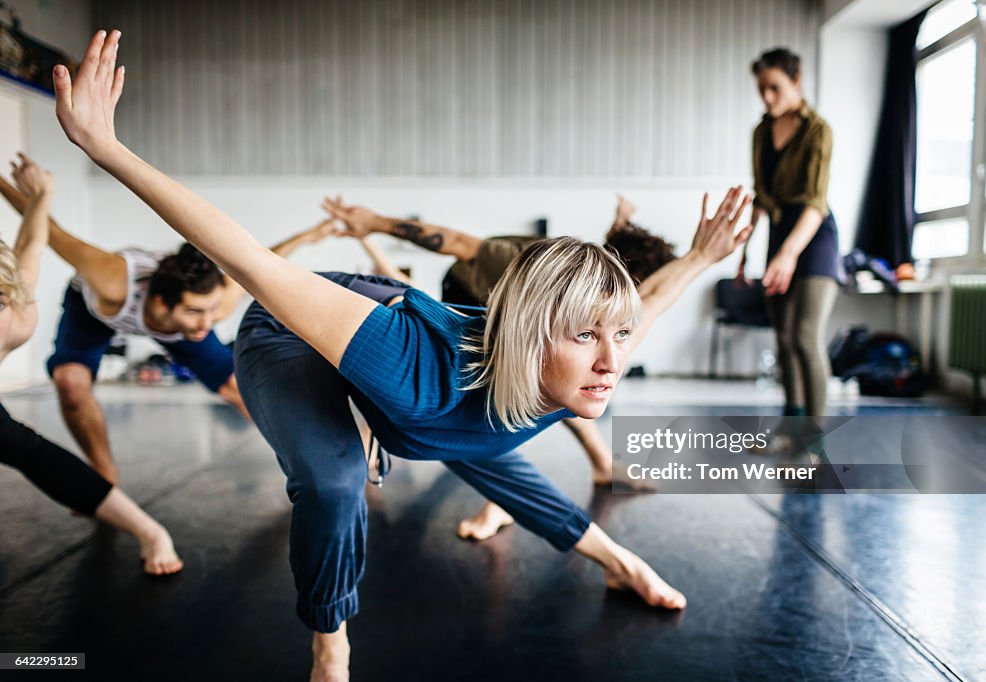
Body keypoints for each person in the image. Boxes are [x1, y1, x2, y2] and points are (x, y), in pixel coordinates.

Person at [52, 30, 752, 681]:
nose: (611, 362)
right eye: (586, 338)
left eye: (619, 338)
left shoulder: (585, 366)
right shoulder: (415, 367)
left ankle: (619, 562)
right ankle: (331, 642)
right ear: (535, 336)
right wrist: (107, 150)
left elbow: (643, 309)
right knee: (335, 480)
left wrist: (697, 257)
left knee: (486, 449)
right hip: (296, 331)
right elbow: (247, 259)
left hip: (429, 361)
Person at [321, 194, 675, 539]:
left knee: (565, 391)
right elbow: (456, 241)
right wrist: (375, 224)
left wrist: (641, 227)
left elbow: (649, 289)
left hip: (521, 322)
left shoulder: (604, 276)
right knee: (493, 395)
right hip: (468, 308)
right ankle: (496, 501)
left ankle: (598, 464)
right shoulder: (522, 263)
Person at [0, 160, 342, 484]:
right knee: (71, 385)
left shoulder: (211, 306)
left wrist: (310, 236)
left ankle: (305, 464)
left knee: (238, 388)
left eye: (210, 311)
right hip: (93, 311)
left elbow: (266, 260)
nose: (209, 323)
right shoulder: (110, 278)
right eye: (196, 312)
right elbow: (50, 231)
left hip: (172, 324)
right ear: (163, 302)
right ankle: (104, 477)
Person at [0, 153, 182, 575]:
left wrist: (43, 194)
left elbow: (30, 244)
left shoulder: (18, 311)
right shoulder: (14, 306)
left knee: (26, 448)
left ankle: (150, 530)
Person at [737, 47, 840, 422]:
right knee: (782, 339)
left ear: (797, 82)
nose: (767, 97)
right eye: (761, 89)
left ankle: (815, 441)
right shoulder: (761, 132)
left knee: (804, 337)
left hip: (814, 236)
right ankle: (791, 430)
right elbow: (761, 196)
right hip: (780, 235)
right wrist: (743, 252)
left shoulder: (818, 130)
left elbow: (815, 201)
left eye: (775, 88)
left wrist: (789, 253)